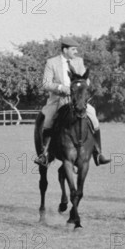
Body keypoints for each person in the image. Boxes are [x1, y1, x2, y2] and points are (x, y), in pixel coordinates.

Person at [34, 37, 110, 166]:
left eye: (76, 49)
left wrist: (83, 85)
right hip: (58, 99)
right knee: (48, 120)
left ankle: (98, 153)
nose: (76, 52)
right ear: (65, 49)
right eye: (73, 49)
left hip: (77, 100)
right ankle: (44, 155)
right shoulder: (51, 63)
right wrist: (61, 88)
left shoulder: (79, 61)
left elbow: (86, 79)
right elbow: (46, 84)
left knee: (93, 116)